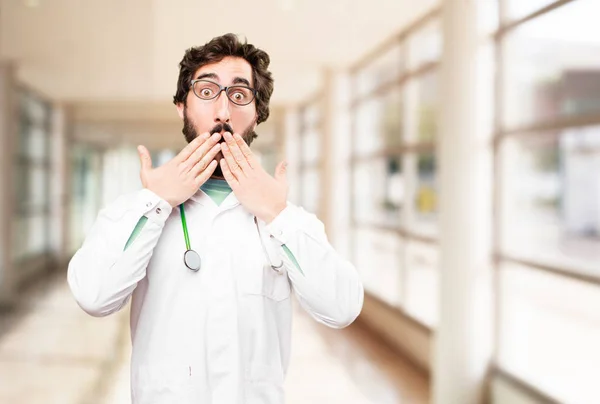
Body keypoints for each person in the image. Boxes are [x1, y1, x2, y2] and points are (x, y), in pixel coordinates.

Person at [67, 33, 364, 404]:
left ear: (257, 115)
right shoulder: (136, 210)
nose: (223, 111)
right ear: (181, 106)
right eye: (207, 91)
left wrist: (277, 214)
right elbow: (94, 295)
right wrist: (156, 201)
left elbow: (342, 307)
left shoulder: (284, 217)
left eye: (239, 96)